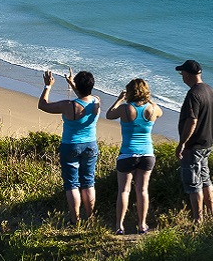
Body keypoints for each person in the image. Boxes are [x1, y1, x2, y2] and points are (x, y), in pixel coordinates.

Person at [38, 67, 100, 224]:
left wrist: (48, 86)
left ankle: (75, 219)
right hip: (90, 145)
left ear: (78, 87)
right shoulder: (96, 102)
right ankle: (90, 217)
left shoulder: (68, 106)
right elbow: (84, 97)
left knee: (72, 184)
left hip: (70, 145)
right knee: (88, 182)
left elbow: (43, 105)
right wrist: (73, 84)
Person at [106, 77, 162, 235]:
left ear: (130, 92)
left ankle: (119, 226)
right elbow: (161, 113)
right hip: (147, 154)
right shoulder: (153, 108)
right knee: (142, 190)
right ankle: (142, 225)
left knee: (124, 191)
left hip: (127, 153)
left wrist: (118, 100)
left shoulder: (125, 108)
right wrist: (149, 100)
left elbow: (109, 115)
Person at [175, 59, 213, 224]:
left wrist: (182, 143)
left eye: (182, 74)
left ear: (187, 74)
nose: (182, 77)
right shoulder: (210, 90)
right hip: (207, 142)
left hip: (194, 146)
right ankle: (211, 214)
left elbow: (192, 120)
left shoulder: (193, 94)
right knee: (205, 179)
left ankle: (198, 220)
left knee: (194, 184)